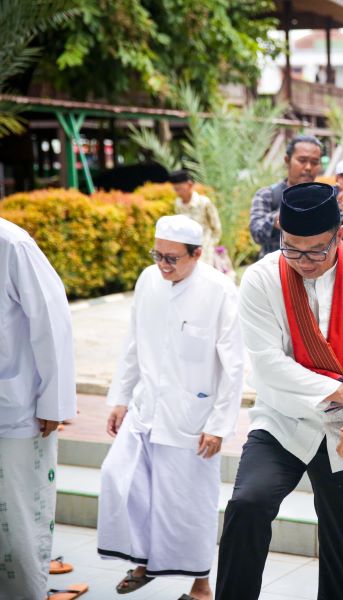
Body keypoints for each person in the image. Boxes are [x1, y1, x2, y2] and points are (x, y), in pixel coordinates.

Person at [216, 182, 343, 600]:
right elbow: (267, 364)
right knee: (248, 504)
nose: (304, 261)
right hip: (282, 420)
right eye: (292, 248)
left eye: (316, 250)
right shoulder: (263, 278)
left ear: (338, 235)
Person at [96, 215, 243, 600]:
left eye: (171, 258)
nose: (162, 265)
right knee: (122, 479)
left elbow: (234, 366)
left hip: (192, 419)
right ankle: (144, 561)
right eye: (157, 255)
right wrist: (119, 398)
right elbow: (134, 342)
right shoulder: (149, 280)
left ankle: (201, 586)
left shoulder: (219, 291)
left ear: (197, 254)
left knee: (189, 502)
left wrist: (219, 425)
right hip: (146, 408)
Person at [0, 218, 80, 600]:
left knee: (18, 519)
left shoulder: (12, 244)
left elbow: (52, 321)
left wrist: (54, 400)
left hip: (15, 407)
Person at [249, 135, 343, 259]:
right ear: (287, 160)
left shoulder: (327, 197)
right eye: (302, 160)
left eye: (314, 162)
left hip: (319, 273)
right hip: (275, 274)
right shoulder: (267, 195)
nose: (308, 167)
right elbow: (257, 233)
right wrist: (284, 216)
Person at [170, 169, 222, 265]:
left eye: (179, 188)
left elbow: (216, 227)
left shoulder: (204, 202)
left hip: (206, 251)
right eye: (175, 189)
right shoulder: (178, 204)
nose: (177, 192)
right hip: (187, 251)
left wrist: (211, 245)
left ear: (189, 185)